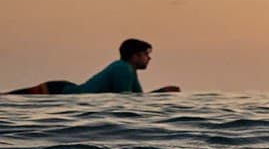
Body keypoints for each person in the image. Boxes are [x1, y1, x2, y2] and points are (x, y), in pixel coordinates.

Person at [7, 39, 181, 95]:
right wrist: (162, 93)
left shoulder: (129, 71)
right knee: (8, 99)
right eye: (146, 54)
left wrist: (162, 92)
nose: (149, 58)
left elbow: (137, 99)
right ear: (135, 55)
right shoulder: (123, 69)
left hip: (63, 89)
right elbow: (126, 99)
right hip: (59, 91)